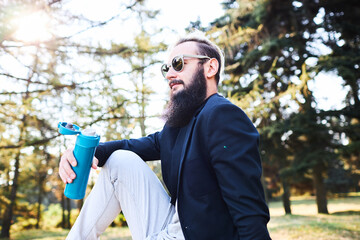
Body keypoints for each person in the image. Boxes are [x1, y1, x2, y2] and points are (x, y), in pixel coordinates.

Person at [59, 31, 271, 240]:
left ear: (210, 67)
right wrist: (85, 154)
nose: (170, 74)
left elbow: (249, 209)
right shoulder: (179, 125)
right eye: (166, 68)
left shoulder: (223, 116)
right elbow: (132, 146)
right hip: (169, 228)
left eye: (179, 64)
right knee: (120, 160)